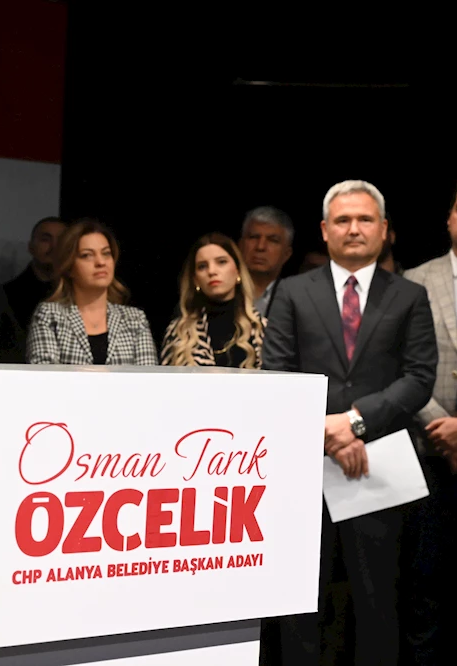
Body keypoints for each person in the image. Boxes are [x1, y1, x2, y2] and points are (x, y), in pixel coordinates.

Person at [262, 180, 436, 666]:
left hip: (380, 470)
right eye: (343, 220)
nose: (353, 228)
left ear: (384, 229)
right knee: (303, 605)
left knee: (378, 604)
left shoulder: (410, 295)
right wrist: (329, 433)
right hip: (307, 468)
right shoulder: (292, 292)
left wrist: (355, 423)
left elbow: (419, 378)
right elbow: (277, 373)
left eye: (364, 219)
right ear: (324, 230)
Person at [396, 184, 457, 664]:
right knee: (426, 583)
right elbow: (401, 365)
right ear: (450, 219)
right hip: (429, 453)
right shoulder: (414, 280)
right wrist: (446, 429)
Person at [27, 219, 157, 366]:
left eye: (106, 253)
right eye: (87, 255)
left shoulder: (134, 319)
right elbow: (45, 375)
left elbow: (148, 376)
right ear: (69, 266)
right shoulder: (50, 316)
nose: (101, 262)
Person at [160, 232, 265, 369]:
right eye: (202, 266)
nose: (211, 271)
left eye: (221, 262)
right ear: (195, 280)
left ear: (238, 271)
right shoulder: (179, 332)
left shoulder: (262, 329)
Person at [4, 216, 67, 329]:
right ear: (31, 247)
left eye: (61, 240)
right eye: (45, 240)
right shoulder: (7, 296)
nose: (54, 246)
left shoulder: (81, 293)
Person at [238, 205, 294, 317]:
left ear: (286, 254)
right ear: (240, 245)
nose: (260, 247)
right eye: (253, 237)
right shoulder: (220, 293)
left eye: (272, 240)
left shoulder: (296, 300)